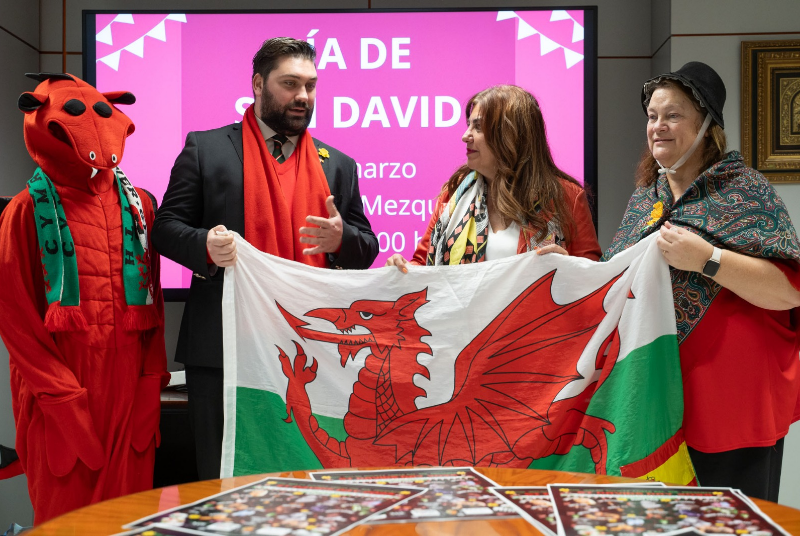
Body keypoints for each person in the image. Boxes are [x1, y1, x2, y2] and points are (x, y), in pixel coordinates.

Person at [152, 37, 378, 480]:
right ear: (258, 84)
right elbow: (165, 228)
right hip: (223, 351)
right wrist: (204, 245)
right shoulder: (207, 149)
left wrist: (341, 239)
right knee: (220, 478)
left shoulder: (339, 165)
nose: (302, 96)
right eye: (290, 83)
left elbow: (366, 247)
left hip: (311, 356)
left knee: (307, 479)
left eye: (311, 85)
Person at [602, 61, 800, 501]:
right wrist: (566, 268)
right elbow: (617, 279)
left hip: (733, 407)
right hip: (658, 401)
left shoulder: (747, 191)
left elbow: (787, 290)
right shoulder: (644, 199)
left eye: (673, 115)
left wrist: (708, 259)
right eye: (652, 117)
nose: (658, 127)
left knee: (736, 524)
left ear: (708, 126)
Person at [0, 73, 168, 523]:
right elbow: (15, 319)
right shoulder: (24, 210)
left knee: (131, 518)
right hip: (63, 393)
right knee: (66, 517)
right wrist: (62, 401)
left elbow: (153, 309)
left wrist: (151, 382)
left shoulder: (140, 207)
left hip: (130, 391)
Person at [386, 84, 600, 270]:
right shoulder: (453, 195)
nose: (465, 136)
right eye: (468, 125)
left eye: (477, 127)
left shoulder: (567, 197)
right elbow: (423, 266)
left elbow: (594, 281)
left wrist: (571, 267)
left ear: (510, 135)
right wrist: (401, 268)